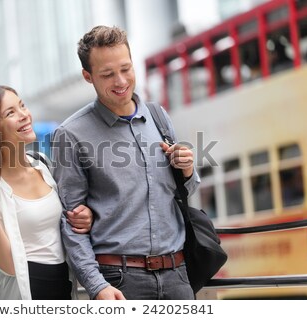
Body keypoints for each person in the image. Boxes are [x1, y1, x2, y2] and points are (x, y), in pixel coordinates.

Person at [52, 25, 200, 300]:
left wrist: (188, 169)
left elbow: (184, 193)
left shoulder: (158, 116)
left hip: (177, 275)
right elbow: (70, 223)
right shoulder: (71, 134)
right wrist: (97, 286)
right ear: (88, 76)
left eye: (125, 69)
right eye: (107, 74)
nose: (120, 81)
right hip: (118, 280)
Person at [0, 85, 93, 300]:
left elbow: (63, 226)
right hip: (22, 294)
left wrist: (84, 217)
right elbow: (7, 267)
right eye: (10, 113)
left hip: (63, 288)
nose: (24, 115)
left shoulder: (43, 166)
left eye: (22, 106)